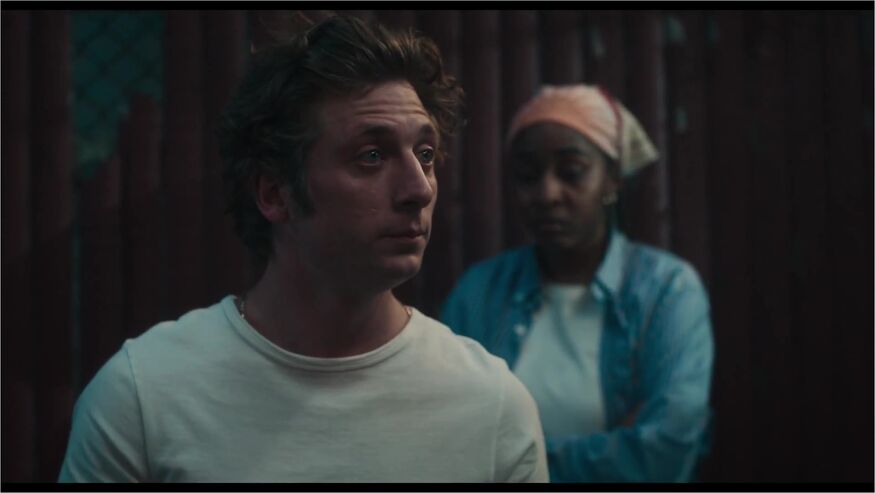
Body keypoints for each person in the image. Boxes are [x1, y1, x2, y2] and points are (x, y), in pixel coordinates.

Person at [59, 16, 548, 483]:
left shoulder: (491, 405)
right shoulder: (145, 396)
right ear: (275, 193)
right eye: (371, 156)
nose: (418, 189)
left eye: (425, 155)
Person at [441, 84, 714, 482]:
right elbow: (445, 436)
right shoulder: (479, 291)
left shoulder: (667, 290)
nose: (547, 193)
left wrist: (508, 458)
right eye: (527, 175)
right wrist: (615, 446)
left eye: (571, 172)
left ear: (613, 179)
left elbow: (665, 453)